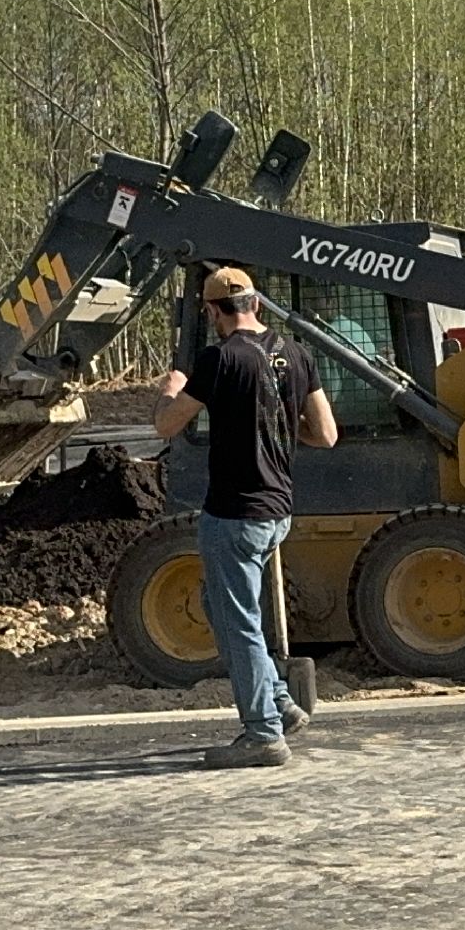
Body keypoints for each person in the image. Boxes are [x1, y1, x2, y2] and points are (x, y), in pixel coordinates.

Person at [155, 267, 338, 768]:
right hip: (278, 508)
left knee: (238, 623)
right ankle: (280, 703)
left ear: (214, 311)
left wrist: (172, 388)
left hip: (235, 512)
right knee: (222, 606)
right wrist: (277, 423)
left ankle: (262, 732)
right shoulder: (297, 354)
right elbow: (325, 434)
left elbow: (166, 425)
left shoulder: (218, 359)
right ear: (256, 303)